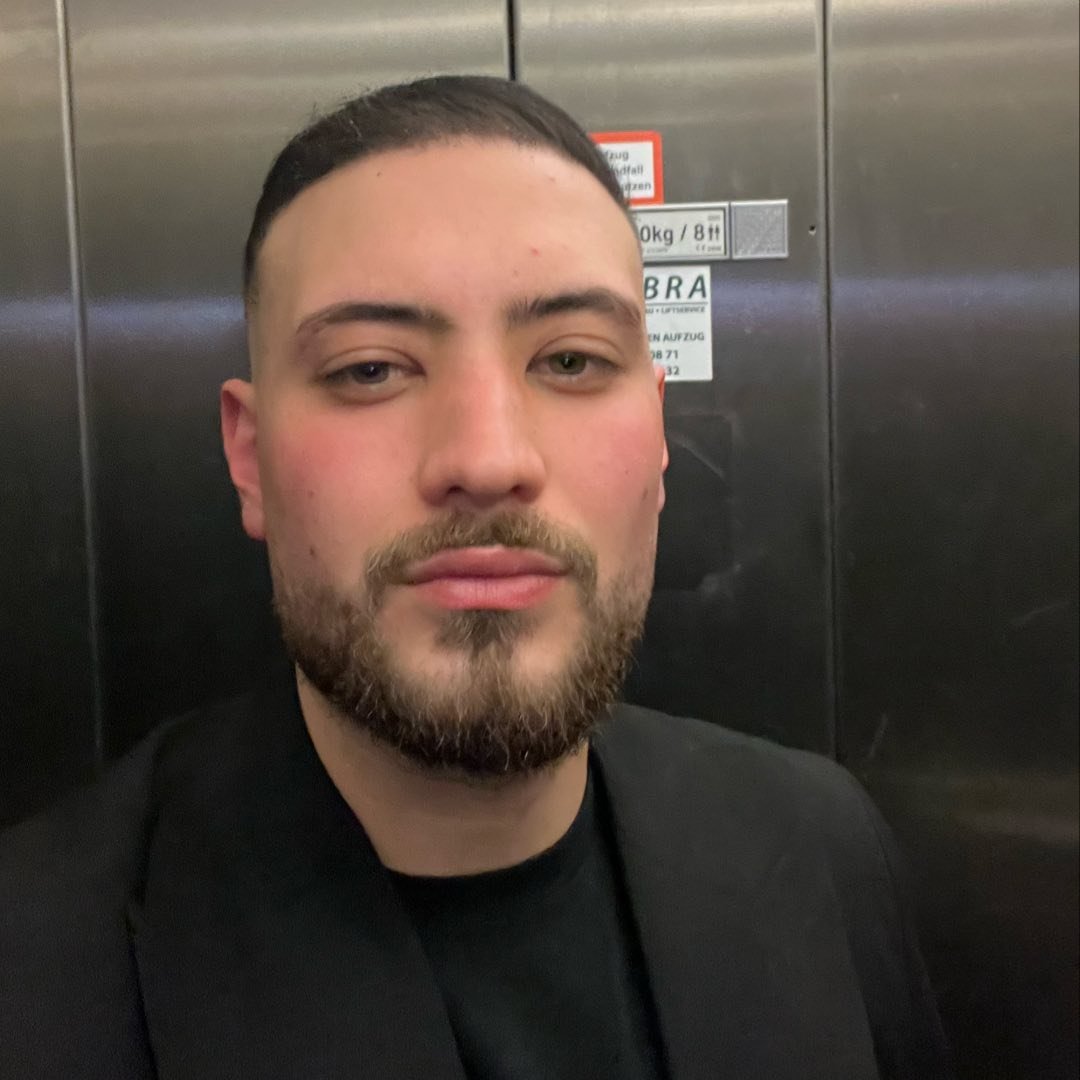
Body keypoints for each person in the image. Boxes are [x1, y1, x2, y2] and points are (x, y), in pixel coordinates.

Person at [0, 75, 953, 1080]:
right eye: (370, 368)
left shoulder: (823, 848)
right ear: (250, 458)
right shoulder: (36, 969)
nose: (489, 459)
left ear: (658, 436)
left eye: (572, 362)